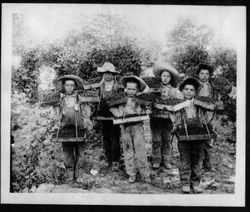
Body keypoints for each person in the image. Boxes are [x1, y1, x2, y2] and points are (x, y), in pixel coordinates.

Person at [109, 75, 151, 183]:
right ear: (125, 89)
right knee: (128, 151)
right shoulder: (120, 99)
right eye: (129, 89)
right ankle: (131, 173)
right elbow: (111, 107)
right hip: (125, 128)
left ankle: (145, 174)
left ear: (137, 90)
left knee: (141, 151)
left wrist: (146, 112)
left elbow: (146, 110)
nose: (131, 91)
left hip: (137, 128)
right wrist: (119, 114)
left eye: (134, 89)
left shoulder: (140, 100)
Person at [55, 75, 93, 181]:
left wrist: (86, 124)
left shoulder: (80, 98)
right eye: (67, 85)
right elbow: (56, 115)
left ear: (75, 86)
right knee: (67, 153)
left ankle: (79, 174)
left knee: (80, 152)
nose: (69, 87)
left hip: (79, 128)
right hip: (65, 129)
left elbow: (86, 113)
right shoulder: (60, 100)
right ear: (64, 86)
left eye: (72, 85)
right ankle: (70, 174)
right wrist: (57, 123)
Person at [174, 77, 209, 193]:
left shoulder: (199, 104)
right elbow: (175, 119)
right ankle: (185, 182)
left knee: (198, 159)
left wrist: (204, 120)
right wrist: (178, 124)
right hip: (184, 135)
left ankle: (195, 182)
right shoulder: (178, 105)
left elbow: (206, 117)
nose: (189, 92)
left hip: (198, 134)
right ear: (182, 91)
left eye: (191, 90)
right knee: (185, 159)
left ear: (195, 92)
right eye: (186, 89)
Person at [150, 64, 183, 170]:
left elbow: (178, 104)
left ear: (171, 78)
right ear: (160, 77)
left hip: (168, 118)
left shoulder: (174, 90)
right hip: (155, 117)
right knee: (156, 139)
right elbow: (148, 99)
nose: (165, 78)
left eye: (168, 76)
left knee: (167, 139)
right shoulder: (154, 88)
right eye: (164, 75)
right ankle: (156, 159)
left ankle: (166, 160)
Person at [97, 62, 122, 171]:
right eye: (106, 73)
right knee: (105, 137)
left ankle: (116, 161)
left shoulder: (117, 86)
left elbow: (121, 99)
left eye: (111, 74)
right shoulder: (100, 86)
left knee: (115, 137)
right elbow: (97, 100)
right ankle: (108, 159)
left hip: (115, 114)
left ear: (114, 75)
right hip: (103, 115)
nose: (109, 76)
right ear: (103, 74)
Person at [195, 63, 216, 172]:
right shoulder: (196, 85)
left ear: (209, 75)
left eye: (206, 74)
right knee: (198, 139)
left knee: (208, 138)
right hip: (197, 114)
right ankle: (199, 162)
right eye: (202, 73)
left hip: (208, 115)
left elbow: (213, 99)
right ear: (198, 75)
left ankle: (208, 163)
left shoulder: (211, 86)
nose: (204, 75)